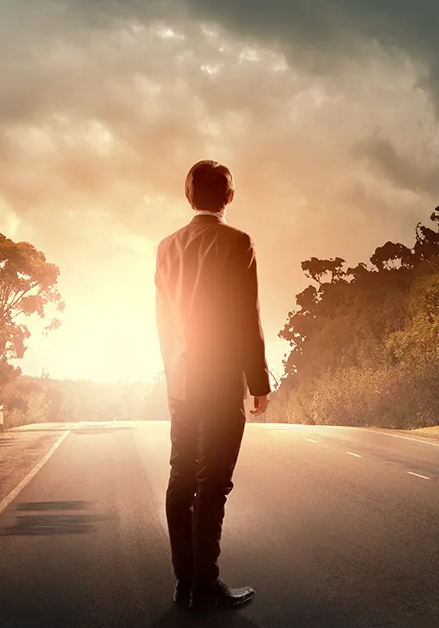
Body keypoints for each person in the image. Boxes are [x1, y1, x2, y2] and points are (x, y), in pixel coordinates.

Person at [154, 160, 271, 609]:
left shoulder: (166, 247)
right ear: (229, 197)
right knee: (213, 482)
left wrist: (172, 371)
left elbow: (163, 319)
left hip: (181, 381)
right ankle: (206, 583)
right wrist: (258, 380)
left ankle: (185, 583)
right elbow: (248, 317)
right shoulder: (238, 241)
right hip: (221, 381)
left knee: (180, 479)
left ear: (189, 197)